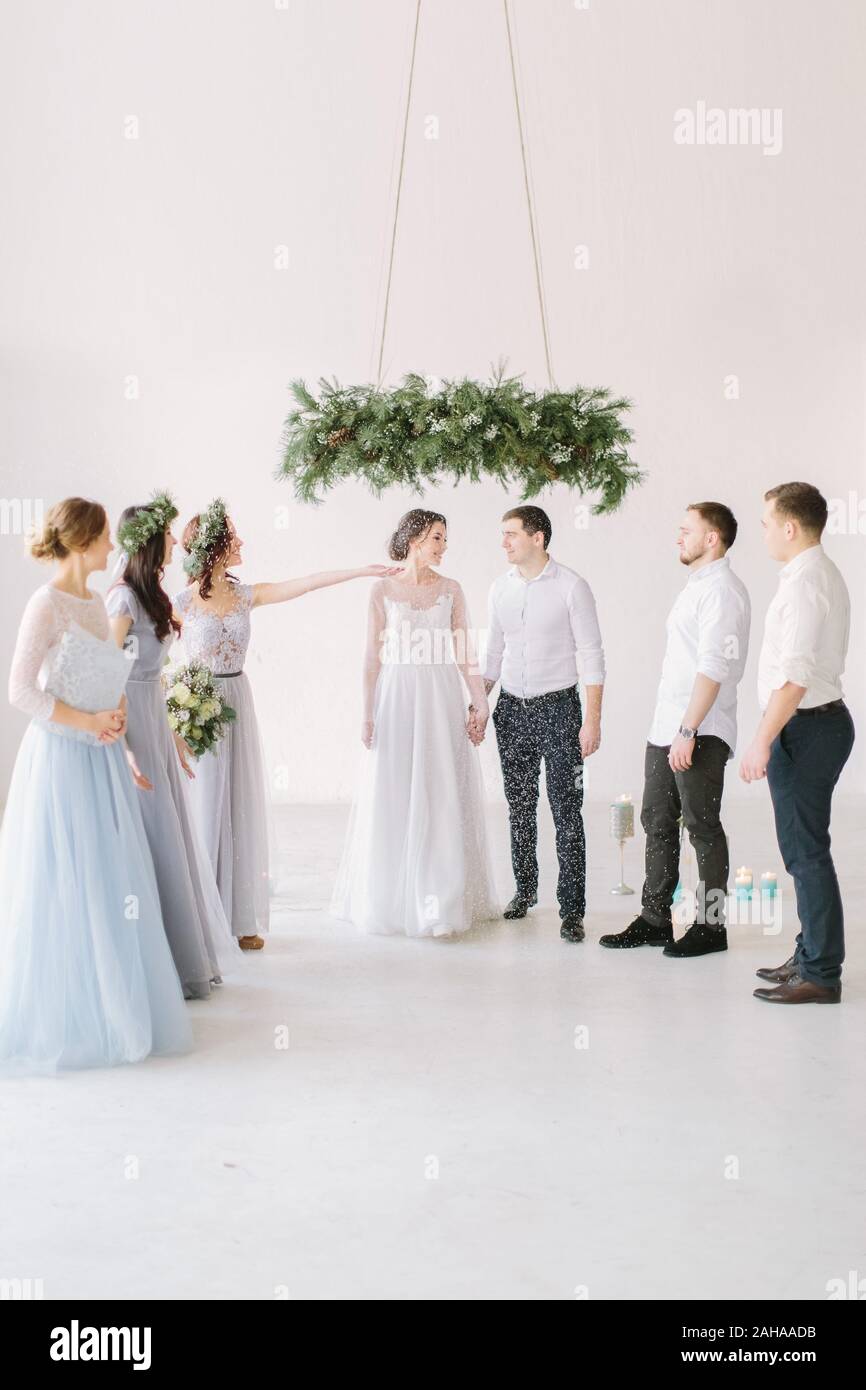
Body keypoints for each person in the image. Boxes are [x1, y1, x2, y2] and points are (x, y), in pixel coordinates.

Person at [0, 497, 192, 1072]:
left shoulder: (90, 603)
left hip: (100, 756)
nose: (113, 546)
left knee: (108, 880)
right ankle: (65, 1011)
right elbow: (22, 692)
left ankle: (110, 1008)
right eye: (106, 537)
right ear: (82, 542)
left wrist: (118, 723)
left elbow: (101, 679)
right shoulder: (46, 604)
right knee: (61, 876)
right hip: (59, 757)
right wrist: (87, 722)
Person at [176, 497, 399, 949]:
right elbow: (143, 646)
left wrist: (360, 571)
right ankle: (199, 919)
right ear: (214, 546)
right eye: (233, 535)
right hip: (196, 705)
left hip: (236, 697)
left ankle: (240, 919)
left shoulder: (245, 594)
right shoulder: (180, 602)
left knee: (237, 803)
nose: (241, 541)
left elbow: (308, 584)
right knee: (202, 807)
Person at [331, 509, 498, 937]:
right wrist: (366, 714)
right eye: (437, 538)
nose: (444, 546)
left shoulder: (452, 589)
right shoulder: (382, 590)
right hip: (398, 696)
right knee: (396, 788)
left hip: (441, 695)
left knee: (440, 788)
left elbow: (465, 653)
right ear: (415, 538)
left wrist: (480, 704)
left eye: (445, 539)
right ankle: (391, 897)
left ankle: (440, 902)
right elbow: (372, 657)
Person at [601, 502, 750, 956]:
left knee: (702, 826)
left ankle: (711, 926)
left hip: (699, 728)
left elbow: (714, 667)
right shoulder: (696, 585)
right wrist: (671, 729)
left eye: (687, 529)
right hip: (668, 724)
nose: (678, 536)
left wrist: (688, 729)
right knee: (658, 821)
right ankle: (655, 918)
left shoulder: (722, 590)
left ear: (713, 538)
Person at [107, 493, 234, 999]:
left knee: (169, 837)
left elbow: (151, 674)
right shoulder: (122, 598)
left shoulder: (151, 595)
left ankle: (179, 959)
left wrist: (172, 735)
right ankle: (146, 965)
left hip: (152, 719)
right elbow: (108, 667)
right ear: (148, 542)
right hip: (129, 722)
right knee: (147, 835)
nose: (174, 544)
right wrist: (126, 741)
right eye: (167, 535)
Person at [741, 482, 854, 1004]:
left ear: (790, 527)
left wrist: (762, 740)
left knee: (806, 853)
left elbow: (797, 678)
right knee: (802, 850)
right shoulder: (805, 576)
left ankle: (821, 975)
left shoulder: (808, 581)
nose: (762, 530)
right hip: (806, 728)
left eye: (766, 522)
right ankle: (809, 953)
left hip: (807, 730)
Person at [483, 505, 604, 943]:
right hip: (512, 709)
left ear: (538, 538)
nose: (504, 542)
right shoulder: (500, 589)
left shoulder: (572, 587)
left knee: (566, 809)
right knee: (519, 806)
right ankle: (525, 890)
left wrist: (591, 720)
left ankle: (572, 910)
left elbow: (592, 655)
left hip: (560, 710)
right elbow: (492, 654)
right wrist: (480, 705)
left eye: (511, 534)